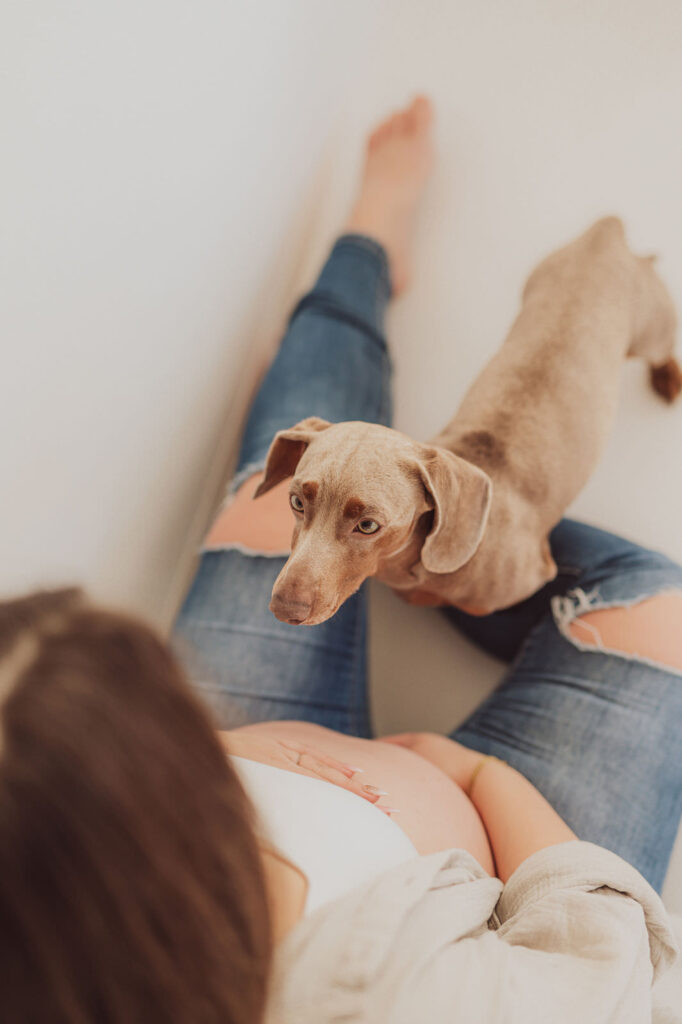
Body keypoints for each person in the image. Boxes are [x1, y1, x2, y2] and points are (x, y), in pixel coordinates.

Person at [1, 97, 681, 1022]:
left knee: (282, 457)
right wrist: (465, 774)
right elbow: (614, 970)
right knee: (658, 601)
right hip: (484, 840)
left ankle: (367, 243)